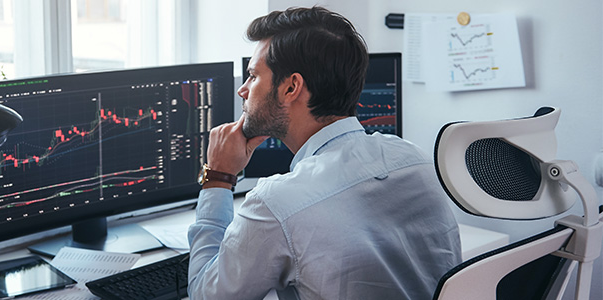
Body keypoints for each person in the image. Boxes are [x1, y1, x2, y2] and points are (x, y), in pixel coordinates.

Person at [187, 6, 461, 300]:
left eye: (253, 76)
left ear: (291, 87)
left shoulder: (277, 204)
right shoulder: (415, 160)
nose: (243, 90)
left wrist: (218, 177)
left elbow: (206, 295)